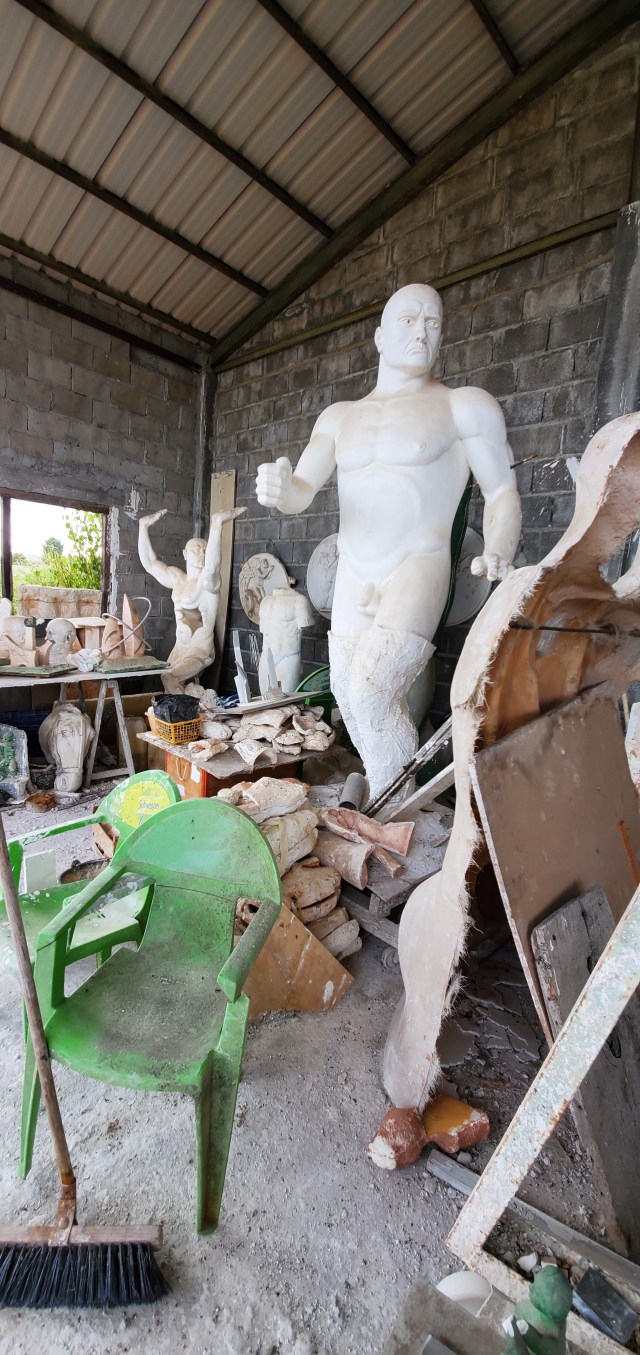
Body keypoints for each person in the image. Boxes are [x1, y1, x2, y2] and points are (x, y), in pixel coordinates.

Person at [256, 282, 521, 797]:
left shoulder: (464, 406)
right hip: (354, 568)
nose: (421, 332)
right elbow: (301, 490)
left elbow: (502, 492)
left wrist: (499, 547)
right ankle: (393, 806)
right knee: (347, 695)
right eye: (408, 320)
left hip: (417, 565)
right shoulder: (339, 417)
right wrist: (281, 490)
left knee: (372, 692)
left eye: (433, 322)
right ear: (380, 337)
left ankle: (393, 808)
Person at [138, 506, 245, 692]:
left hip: (200, 647)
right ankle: (186, 707)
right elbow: (150, 564)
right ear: (185, 554)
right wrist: (143, 527)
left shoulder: (207, 583)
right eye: (197, 549)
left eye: (205, 550)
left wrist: (217, 524)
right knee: (168, 683)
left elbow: (212, 567)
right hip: (180, 645)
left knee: (170, 678)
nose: (202, 554)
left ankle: (185, 709)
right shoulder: (178, 578)